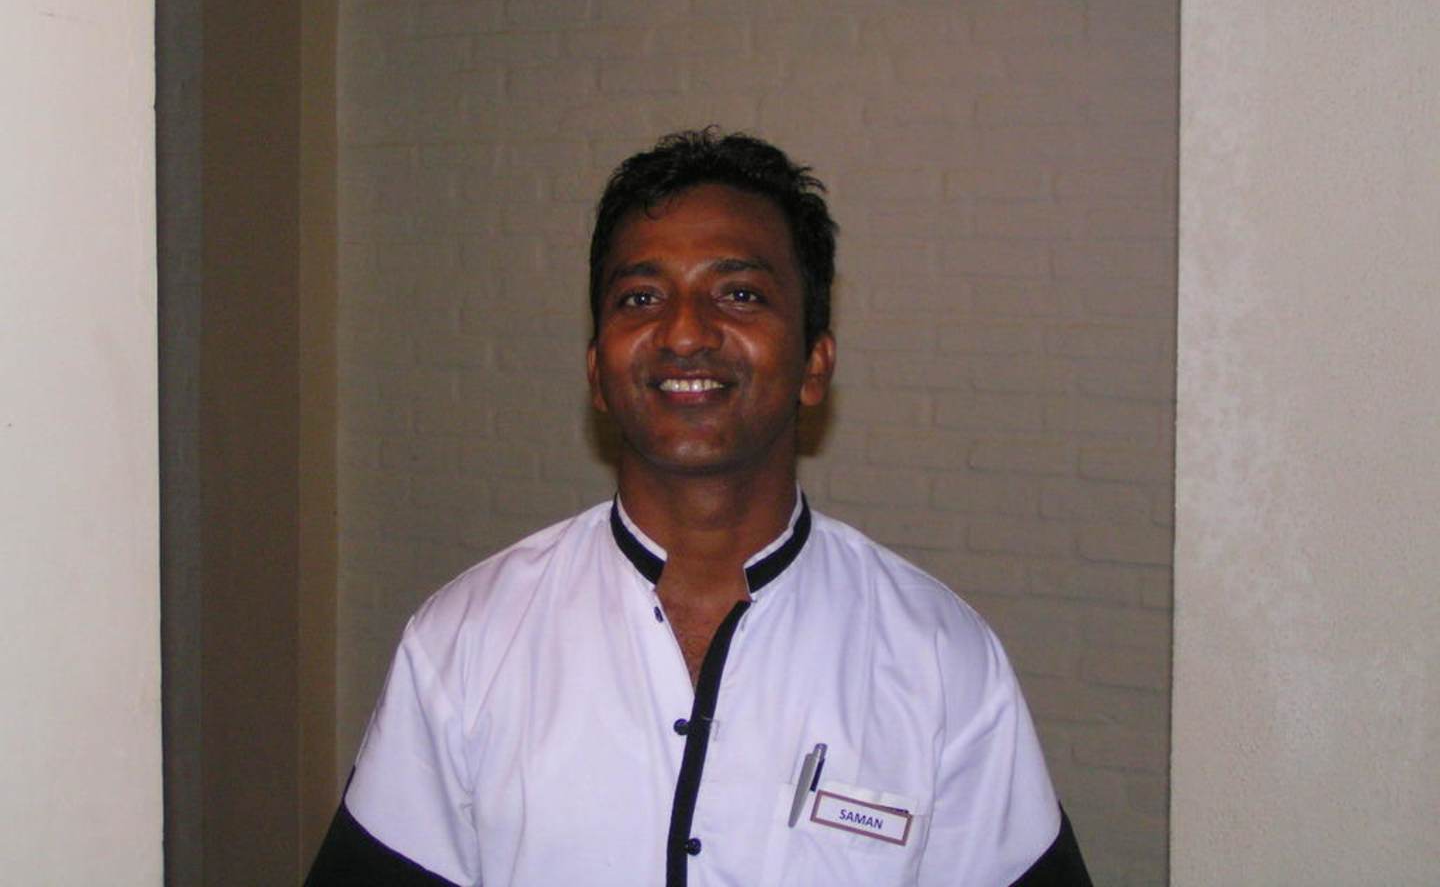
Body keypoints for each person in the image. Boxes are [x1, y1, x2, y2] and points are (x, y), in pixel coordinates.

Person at [307, 129, 1091, 886]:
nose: (684, 332)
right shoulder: (466, 642)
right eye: (641, 297)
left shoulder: (939, 659)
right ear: (596, 371)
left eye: (739, 294)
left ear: (815, 365)